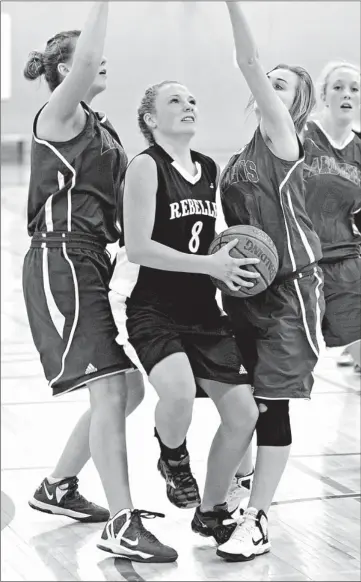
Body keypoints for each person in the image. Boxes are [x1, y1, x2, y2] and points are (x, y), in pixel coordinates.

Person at [22, 2, 177, 563]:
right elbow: (87, 55)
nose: (100, 64)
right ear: (65, 69)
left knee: (129, 388)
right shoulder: (57, 115)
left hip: (96, 262)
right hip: (60, 260)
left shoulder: (99, 124)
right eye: (91, 61)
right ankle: (122, 521)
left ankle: (57, 487)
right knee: (111, 389)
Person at [109, 79, 260, 544]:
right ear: (151, 119)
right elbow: (138, 247)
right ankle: (173, 457)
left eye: (193, 99)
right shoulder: (145, 166)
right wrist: (209, 263)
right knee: (174, 391)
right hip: (148, 304)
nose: (189, 105)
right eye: (175, 100)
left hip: (201, 306)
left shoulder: (208, 168)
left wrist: (235, 263)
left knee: (243, 413)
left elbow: (212, 240)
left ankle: (211, 511)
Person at [215, 1, 325, 561]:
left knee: (269, 405)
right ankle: (239, 489)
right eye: (269, 83)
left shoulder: (285, 141)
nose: (268, 87)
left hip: (289, 291)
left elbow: (248, 59)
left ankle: (257, 520)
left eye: (280, 86)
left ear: (294, 106)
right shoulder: (237, 158)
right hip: (241, 292)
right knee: (237, 401)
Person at [303, 61, 361, 373]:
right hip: (298, 259)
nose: (346, 94)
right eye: (338, 87)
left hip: (343, 257)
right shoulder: (301, 136)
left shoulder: (360, 148)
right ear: (324, 95)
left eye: (354, 88)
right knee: (288, 358)